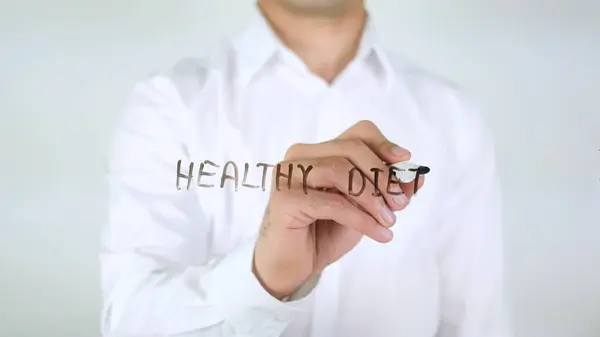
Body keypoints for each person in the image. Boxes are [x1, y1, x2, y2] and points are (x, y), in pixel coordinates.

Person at [100, 0, 512, 336]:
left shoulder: (453, 117)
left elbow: (477, 324)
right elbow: (129, 322)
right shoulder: (169, 106)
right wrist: (262, 277)